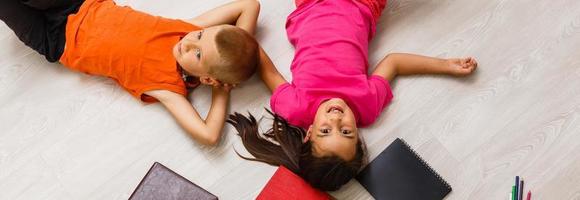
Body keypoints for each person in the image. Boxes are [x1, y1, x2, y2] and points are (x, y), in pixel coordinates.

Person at [228, 0, 478, 191]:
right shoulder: (366, 107)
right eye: (346, 132)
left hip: (311, 6)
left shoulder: (295, 108)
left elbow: (266, 69)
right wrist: (445, 65)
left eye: (325, 131)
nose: (336, 120)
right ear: (358, 136)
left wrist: (234, 48)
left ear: (308, 135)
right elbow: (394, 63)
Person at [0, 0, 261, 145]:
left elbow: (209, 135)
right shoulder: (186, 29)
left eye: (199, 54)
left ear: (206, 78)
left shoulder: (168, 88)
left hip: (56, 40)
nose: (190, 42)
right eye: (201, 35)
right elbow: (250, 5)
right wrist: (228, 63)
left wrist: (221, 88)